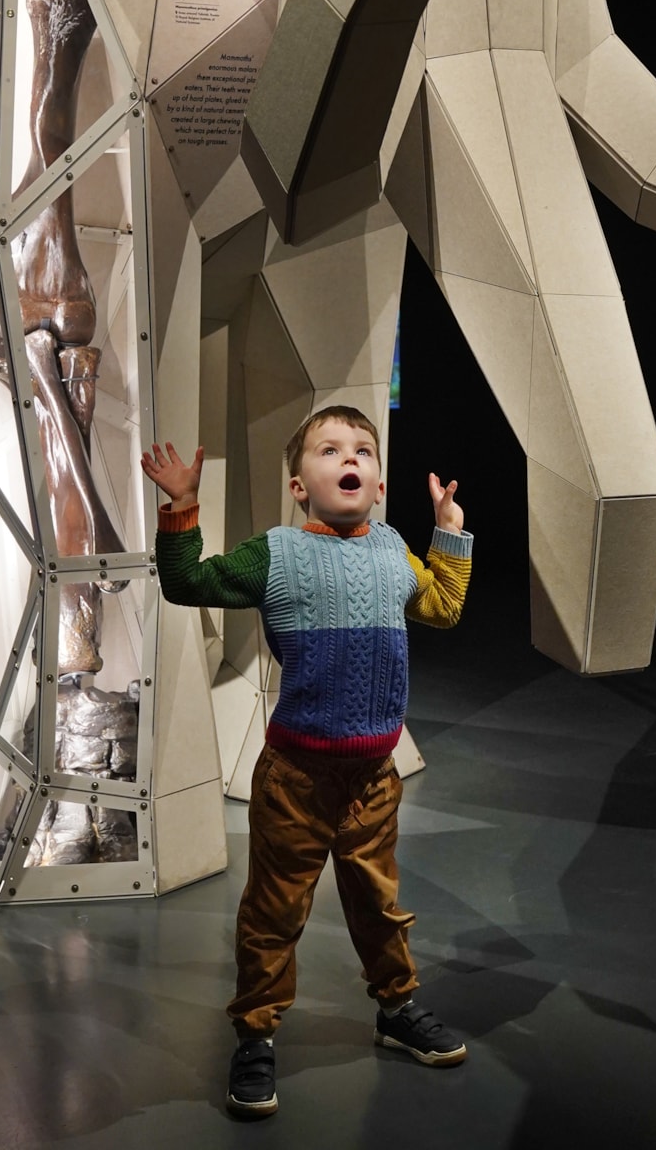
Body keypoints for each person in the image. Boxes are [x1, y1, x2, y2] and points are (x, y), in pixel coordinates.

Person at [141, 404, 472, 1119]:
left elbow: (443, 606)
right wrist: (182, 506)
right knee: (274, 911)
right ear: (299, 484)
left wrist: (448, 531)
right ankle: (255, 1035)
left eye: (362, 450)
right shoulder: (276, 555)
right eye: (328, 449)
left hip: (374, 780)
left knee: (379, 905)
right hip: (296, 779)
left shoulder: (393, 551)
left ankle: (396, 1007)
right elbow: (188, 583)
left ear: (378, 483)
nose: (348, 458)